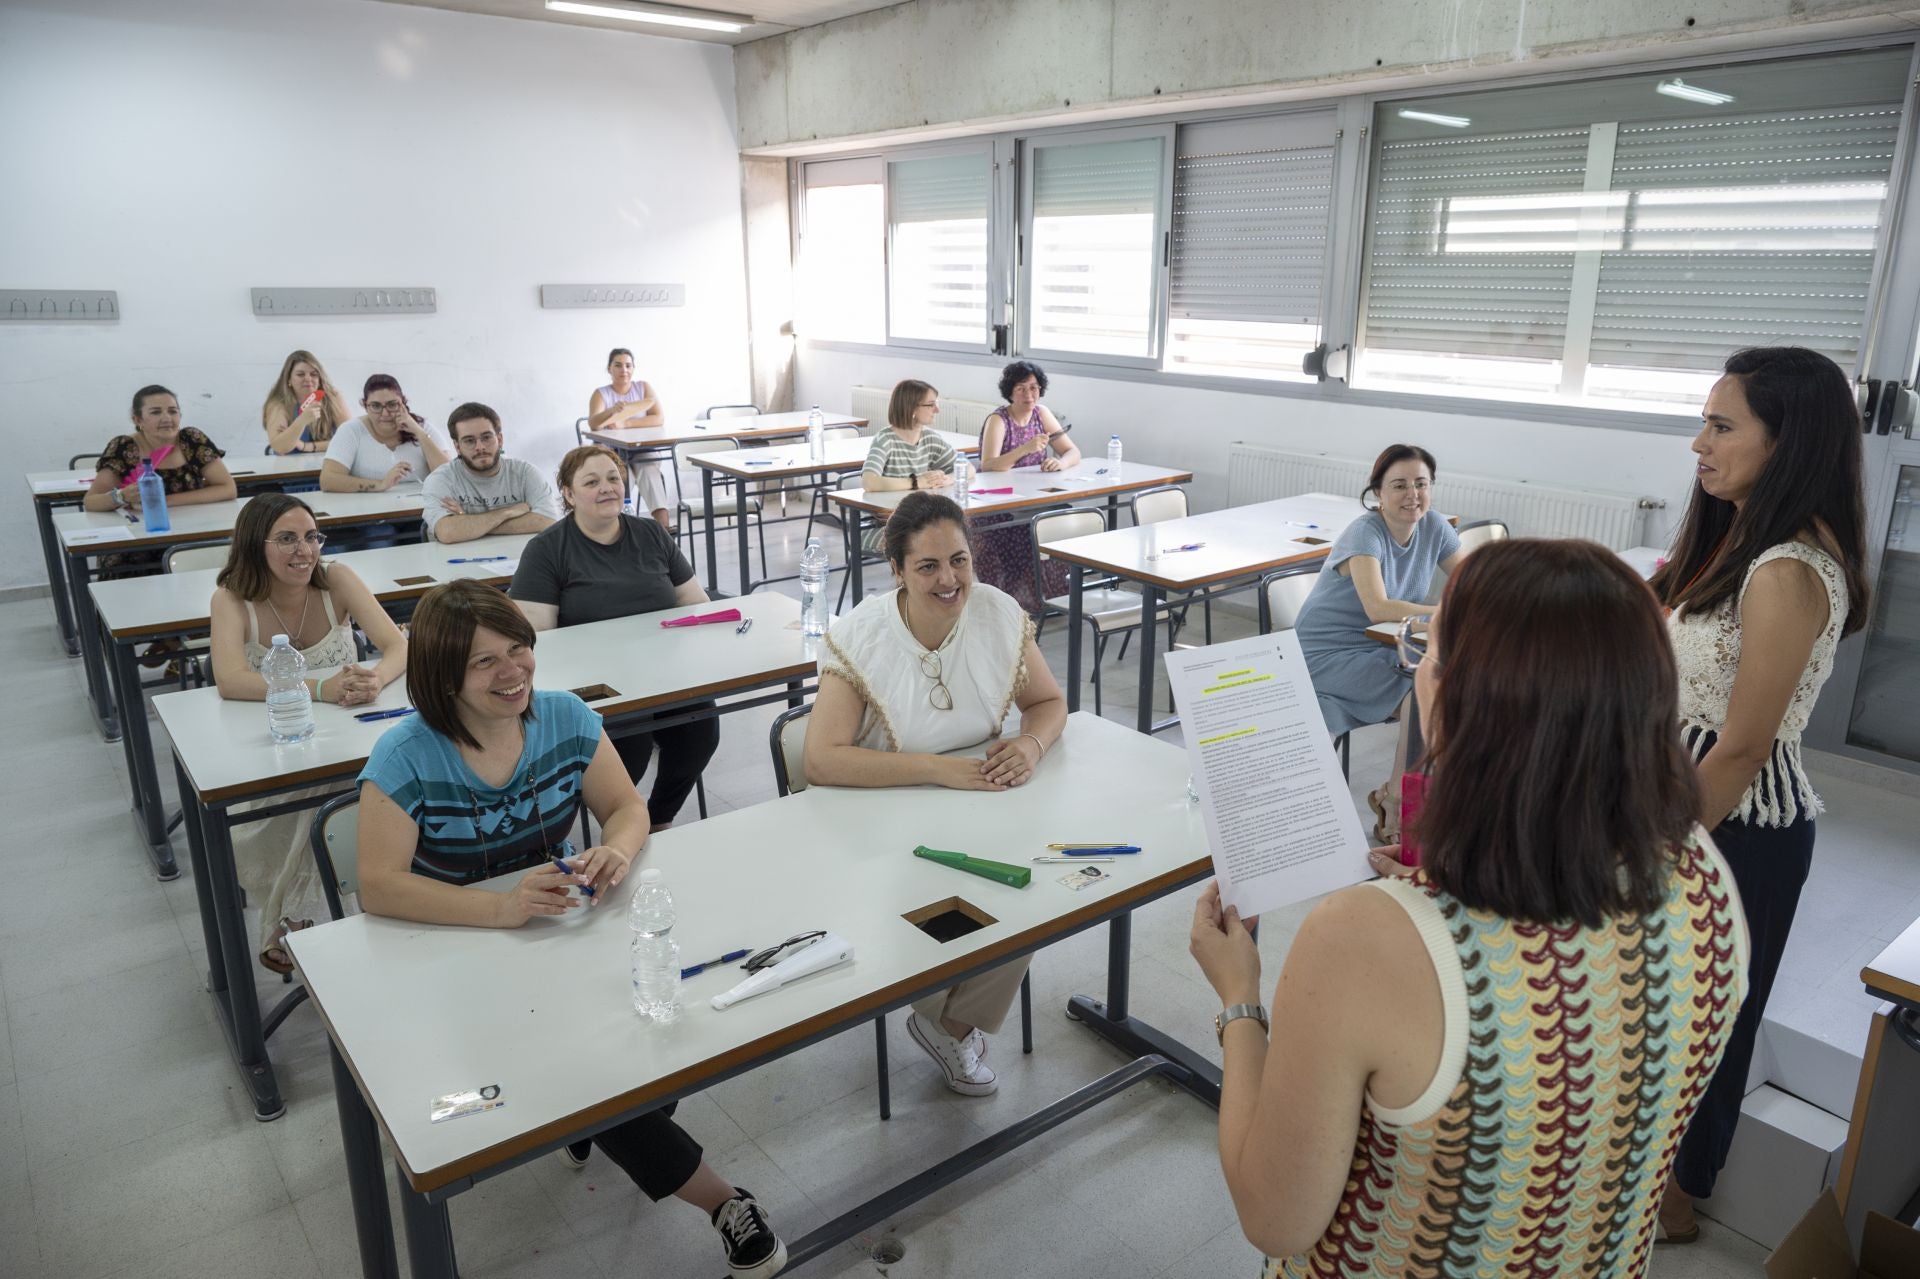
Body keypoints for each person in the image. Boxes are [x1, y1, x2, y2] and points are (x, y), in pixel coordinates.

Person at [1189, 538, 1750, 1276]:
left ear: (1453, 697)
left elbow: (1275, 1215)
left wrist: (1239, 999)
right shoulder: (1705, 875)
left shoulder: (1360, 939)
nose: (1420, 664)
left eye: (1428, 647)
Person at [355, 580, 787, 1278]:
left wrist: (616, 847)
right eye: (485, 662)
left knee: (649, 1026)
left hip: (562, 927)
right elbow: (379, 884)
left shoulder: (564, 718)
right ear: (441, 676)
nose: (514, 670)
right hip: (457, 954)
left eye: (519, 648)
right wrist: (500, 907)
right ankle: (722, 1199)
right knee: (595, 1074)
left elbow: (624, 806)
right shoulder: (405, 755)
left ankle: (589, 1117)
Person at [1652, 347, 1871, 1243]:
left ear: (1787, 443)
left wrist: (1653, 852)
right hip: (1689, 795)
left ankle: (1675, 1198)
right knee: (1659, 1011)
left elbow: (1742, 748)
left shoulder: (1785, 570)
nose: (1698, 443)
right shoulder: (1737, 536)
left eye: (1722, 425)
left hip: (1730, 824)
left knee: (1703, 1024)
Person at [803, 493, 1069, 1096]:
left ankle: (948, 1023)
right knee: (953, 906)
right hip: (881, 817)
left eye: (960, 561)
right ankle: (936, 1001)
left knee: (1031, 891)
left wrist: (1030, 746)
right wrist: (937, 770)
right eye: (927, 566)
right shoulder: (862, 636)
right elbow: (820, 759)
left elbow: (1049, 704)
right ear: (896, 570)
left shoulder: (997, 613)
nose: (949, 580)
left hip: (978, 802)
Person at [208, 493, 407, 971]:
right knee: (340, 792)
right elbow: (231, 679)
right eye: (287, 539)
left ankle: (298, 923)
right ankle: (314, 921)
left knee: (353, 782)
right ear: (256, 545)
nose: (304, 551)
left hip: (347, 743)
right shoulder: (232, 598)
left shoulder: (335, 580)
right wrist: (321, 686)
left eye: (312, 537)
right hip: (269, 757)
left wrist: (376, 678)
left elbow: (398, 645)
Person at [509, 446, 718, 828]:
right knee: (630, 749)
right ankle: (619, 824)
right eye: (591, 482)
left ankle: (657, 818)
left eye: (613, 479)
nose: (607, 488)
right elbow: (536, 636)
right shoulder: (546, 549)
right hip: (597, 684)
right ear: (569, 495)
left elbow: (694, 603)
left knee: (699, 732)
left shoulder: (651, 533)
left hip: (663, 670)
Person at [1294, 444, 1460, 839]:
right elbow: (1378, 608)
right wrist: (1444, 614)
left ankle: (1396, 797)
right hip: (1324, 651)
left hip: (1382, 645)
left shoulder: (1435, 525)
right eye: (1399, 485)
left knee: (1441, 689)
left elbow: (1474, 581)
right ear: (1378, 493)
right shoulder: (1364, 532)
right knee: (1421, 692)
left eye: (1421, 484)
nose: (1412, 495)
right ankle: (1400, 806)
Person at [971, 361, 1080, 615]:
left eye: (1034, 388)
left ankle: (1048, 598)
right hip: (998, 501)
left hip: (1033, 497)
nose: (1029, 395)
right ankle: (1015, 603)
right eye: (1021, 389)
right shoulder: (999, 420)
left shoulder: (1042, 414)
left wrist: (1059, 462)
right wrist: (1025, 449)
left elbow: (1073, 451)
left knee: (1062, 516)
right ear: (1010, 391)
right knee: (1019, 530)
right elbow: (988, 465)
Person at [83, 384, 237, 515]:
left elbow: (228, 488)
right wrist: (121, 497)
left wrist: (164, 501)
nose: (167, 418)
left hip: (193, 525)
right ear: (137, 419)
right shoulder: (124, 446)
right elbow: (91, 502)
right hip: (143, 533)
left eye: (172, 411)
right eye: (156, 412)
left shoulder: (191, 439)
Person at [421, 402, 561, 544]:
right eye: (469, 441)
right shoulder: (441, 479)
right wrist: (508, 512)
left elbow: (547, 520)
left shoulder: (526, 473)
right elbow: (447, 532)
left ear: (499, 440)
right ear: (457, 447)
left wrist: (468, 523)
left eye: (486, 437)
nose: (480, 447)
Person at [857, 380, 956, 557]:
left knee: (954, 534)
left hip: (920, 520)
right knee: (931, 541)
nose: (937, 410)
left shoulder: (929, 438)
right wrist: (916, 482)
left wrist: (948, 478)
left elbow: (967, 467)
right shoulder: (885, 439)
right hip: (884, 526)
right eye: (931, 405)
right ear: (911, 408)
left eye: (937, 404)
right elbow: (869, 481)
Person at [585, 348, 672, 529]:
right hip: (611, 452)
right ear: (609, 369)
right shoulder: (601, 394)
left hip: (642, 450)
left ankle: (664, 529)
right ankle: (621, 530)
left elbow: (658, 418)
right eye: (618, 365)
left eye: (628, 365)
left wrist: (626, 423)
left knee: (649, 471)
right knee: (621, 477)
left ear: (633, 368)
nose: (623, 370)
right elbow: (594, 424)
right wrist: (611, 411)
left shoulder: (643, 387)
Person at [319, 373, 448, 493]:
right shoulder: (351, 430)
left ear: (403, 403)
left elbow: (449, 475)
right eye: (376, 406)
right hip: (368, 511)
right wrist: (381, 484)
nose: (385, 413)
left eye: (392, 405)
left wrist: (419, 433)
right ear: (365, 406)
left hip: (422, 510)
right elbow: (327, 480)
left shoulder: (421, 427)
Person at [260, 350, 352, 455]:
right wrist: (302, 420)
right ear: (288, 379)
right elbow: (280, 448)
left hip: (326, 464)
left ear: (320, 378)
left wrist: (307, 447)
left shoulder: (333, 398)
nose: (308, 379)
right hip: (290, 468)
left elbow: (349, 439)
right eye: (300, 374)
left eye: (313, 374)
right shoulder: (278, 404)